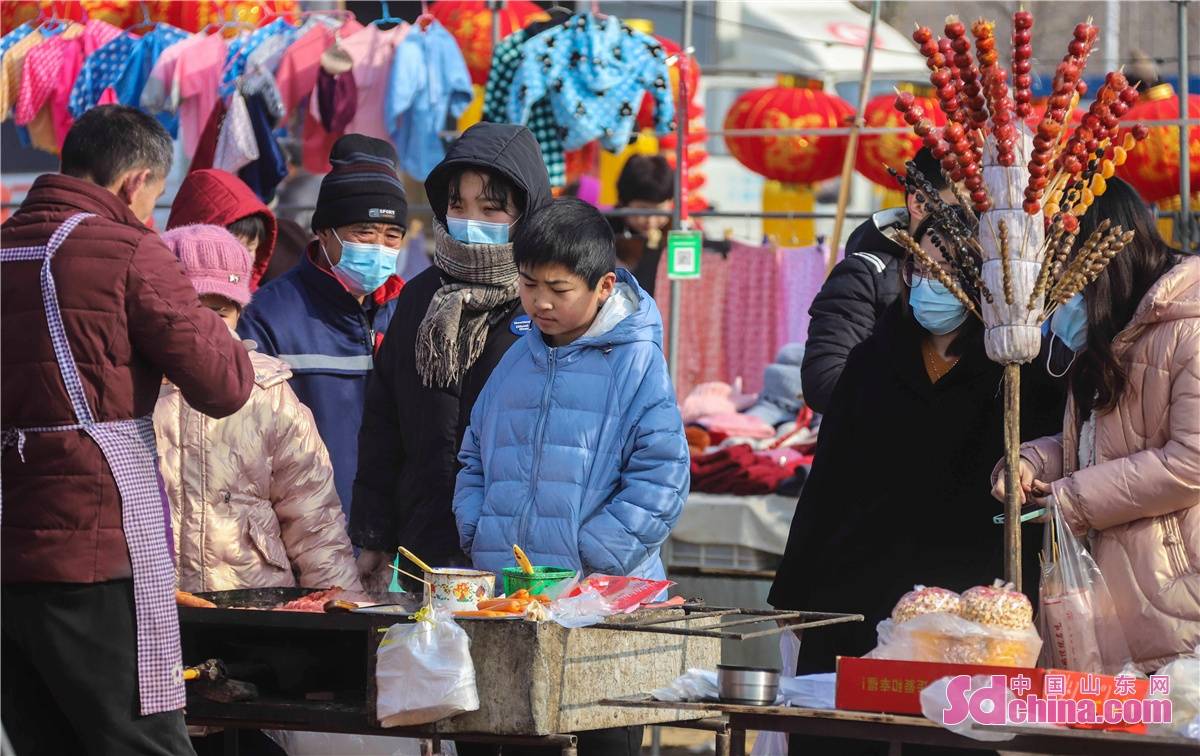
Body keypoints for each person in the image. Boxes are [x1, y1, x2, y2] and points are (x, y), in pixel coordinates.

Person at [1, 105, 254, 755]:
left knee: (47, 743)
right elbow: (223, 384)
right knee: (144, 743)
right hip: (94, 546)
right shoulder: (127, 250)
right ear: (135, 182)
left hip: (10, 552)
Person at [769, 208, 1064, 754]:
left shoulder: (1017, 370)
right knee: (841, 735)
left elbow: (1037, 479)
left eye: (950, 264)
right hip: (857, 593)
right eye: (922, 263)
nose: (933, 277)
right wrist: (797, 593)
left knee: (947, 739)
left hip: (963, 609)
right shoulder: (872, 360)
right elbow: (827, 482)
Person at [453, 198, 688, 756]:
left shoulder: (637, 362)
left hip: (601, 605)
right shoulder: (514, 358)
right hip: (511, 603)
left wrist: (593, 554)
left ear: (603, 286)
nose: (539, 302)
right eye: (530, 285)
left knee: (601, 739)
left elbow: (663, 474)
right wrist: (477, 532)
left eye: (558, 290)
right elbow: (472, 459)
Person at [992, 177, 1199, 672]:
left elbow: (1191, 462)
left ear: (1104, 262)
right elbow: (1096, 443)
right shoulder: (1113, 331)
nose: (1061, 300)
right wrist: (1030, 461)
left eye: (1067, 280)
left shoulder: (1189, 329)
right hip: (1109, 589)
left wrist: (1072, 498)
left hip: (1174, 588)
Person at [349, 122, 552, 588]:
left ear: (528, 212)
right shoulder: (421, 298)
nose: (469, 218)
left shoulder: (544, 302)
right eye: (458, 205)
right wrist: (375, 533)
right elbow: (383, 423)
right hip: (425, 550)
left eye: (491, 208)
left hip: (518, 558)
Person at [155, 224, 363, 595]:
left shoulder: (268, 393)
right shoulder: (130, 390)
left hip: (253, 602)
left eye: (219, 313)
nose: (204, 328)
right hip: (153, 604)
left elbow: (314, 517)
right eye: (190, 311)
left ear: (238, 313)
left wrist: (342, 606)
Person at [238, 134, 408, 518]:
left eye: (391, 236)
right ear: (324, 231)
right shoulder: (269, 316)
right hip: (306, 529)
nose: (379, 248)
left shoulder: (410, 310)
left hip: (396, 542)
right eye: (364, 233)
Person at [801, 147, 954, 414]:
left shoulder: (986, 280)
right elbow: (825, 381)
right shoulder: (865, 276)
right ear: (919, 203)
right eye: (961, 205)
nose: (975, 218)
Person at [167, 168, 278, 290]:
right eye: (235, 249)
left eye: (250, 248)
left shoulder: (238, 282)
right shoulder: (175, 292)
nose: (244, 258)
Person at [610, 154, 674, 297]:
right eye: (642, 210)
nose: (650, 221)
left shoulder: (679, 233)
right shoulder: (605, 231)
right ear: (623, 202)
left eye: (659, 211)